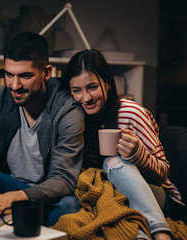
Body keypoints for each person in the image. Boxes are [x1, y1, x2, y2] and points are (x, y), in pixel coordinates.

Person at [0, 32, 85, 227]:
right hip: (4, 184)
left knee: (69, 206)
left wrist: (15, 198)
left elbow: (63, 180)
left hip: (45, 194)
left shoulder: (67, 110)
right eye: (9, 74)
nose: (15, 85)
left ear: (46, 73)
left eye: (25, 76)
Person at [62, 49, 184, 240]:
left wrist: (137, 154)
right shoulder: (73, 117)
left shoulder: (131, 113)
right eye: (77, 90)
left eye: (92, 87)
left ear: (108, 83)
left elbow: (164, 173)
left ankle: (161, 233)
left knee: (112, 162)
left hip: (154, 195)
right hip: (109, 198)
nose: (86, 98)